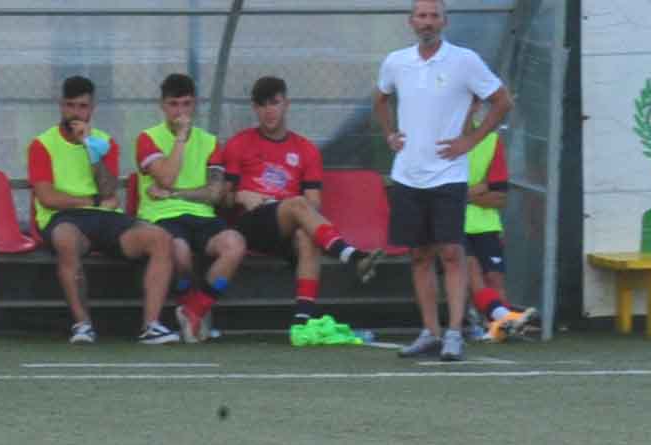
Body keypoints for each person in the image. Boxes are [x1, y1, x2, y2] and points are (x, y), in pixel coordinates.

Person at [373, 0, 511, 363]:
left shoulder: (464, 61)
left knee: (451, 253)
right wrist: (389, 135)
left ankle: (454, 333)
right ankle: (430, 332)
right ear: (411, 22)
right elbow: (380, 98)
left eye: (434, 16)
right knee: (419, 256)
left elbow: (501, 101)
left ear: (445, 22)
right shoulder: (396, 61)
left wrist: (470, 140)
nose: (427, 22)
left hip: (448, 175)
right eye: (421, 16)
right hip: (407, 175)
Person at [214, 77, 376, 344]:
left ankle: (301, 322)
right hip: (249, 225)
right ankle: (351, 255)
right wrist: (241, 195)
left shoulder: (306, 149)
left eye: (274, 103)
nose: (269, 111)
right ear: (255, 108)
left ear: (286, 104)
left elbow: (313, 203)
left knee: (306, 235)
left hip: (285, 223)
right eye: (262, 105)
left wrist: (287, 207)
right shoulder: (239, 143)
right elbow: (223, 199)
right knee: (298, 206)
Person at [25, 78, 176, 347]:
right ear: (61, 106)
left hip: (105, 217)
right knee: (65, 239)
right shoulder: (42, 144)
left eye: (82, 106)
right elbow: (47, 197)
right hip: (63, 218)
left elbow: (108, 190)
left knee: (160, 238)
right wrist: (91, 200)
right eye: (70, 105)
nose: (75, 113)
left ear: (92, 108)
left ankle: (151, 326)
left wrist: (91, 149)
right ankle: (83, 325)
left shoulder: (104, 142)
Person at [135, 74, 243, 344]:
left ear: (194, 104)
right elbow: (166, 177)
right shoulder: (147, 138)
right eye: (173, 104)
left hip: (202, 216)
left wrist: (175, 193)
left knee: (235, 245)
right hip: (161, 215)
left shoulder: (209, 142)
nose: (180, 112)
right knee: (180, 253)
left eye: (186, 104)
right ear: (162, 105)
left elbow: (215, 193)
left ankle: (194, 310)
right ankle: (186, 309)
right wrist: (181, 138)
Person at [454, 129, 538, 340]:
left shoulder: (490, 139)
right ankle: (504, 320)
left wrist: (461, 195)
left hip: (487, 225)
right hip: (453, 223)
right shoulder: (441, 134)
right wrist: (480, 188)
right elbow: (442, 194)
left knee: (495, 278)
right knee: (472, 273)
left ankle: (501, 327)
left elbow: (500, 196)